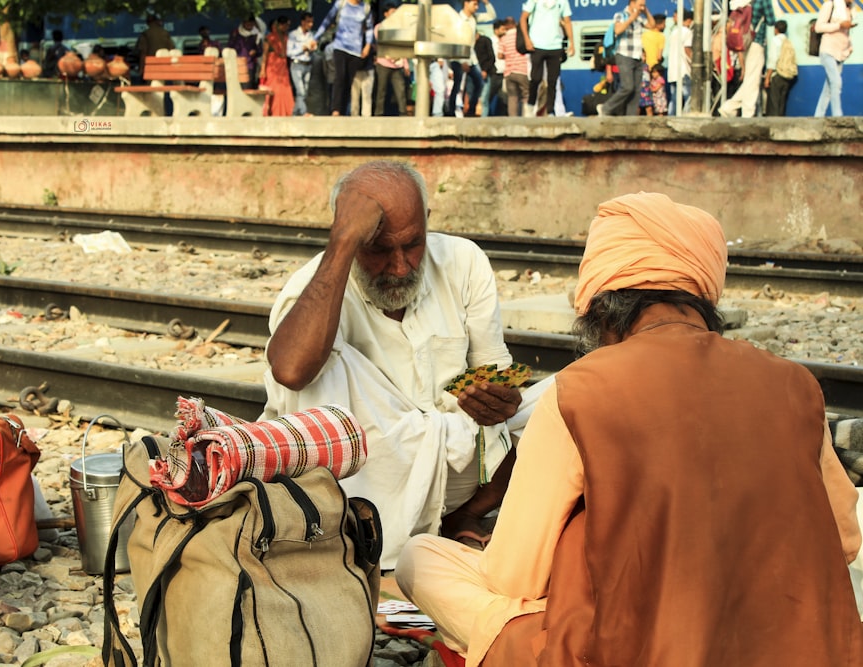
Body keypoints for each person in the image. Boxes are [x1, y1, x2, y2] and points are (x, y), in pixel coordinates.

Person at [396, 191, 863, 666]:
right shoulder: (795, 384)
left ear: (602, 307)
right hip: (794, 647)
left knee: (421, 559)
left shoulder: (580, 390)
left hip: (626, 650)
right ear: (703, 294)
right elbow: (845, 540)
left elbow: (515, 576)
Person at [260, 160, 547, 570]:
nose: (399, 266)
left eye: (412, 245)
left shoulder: (463, 262)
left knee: (573, 399)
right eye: (378, 249)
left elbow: (497, 374)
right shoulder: (312, 290)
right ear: (348, 235)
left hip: (458, 467)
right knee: (318, 368)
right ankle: (362, 539)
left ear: (427, 223)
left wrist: (501, 400)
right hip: (376, 479)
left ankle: (462, 516)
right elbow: (289, 371)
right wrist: (341, 248)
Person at [313, 0, 374, 116]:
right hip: (340, 46)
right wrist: (315, 38)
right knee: (340, 77)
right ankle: (335, 109)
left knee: (348, 81)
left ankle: (343, 110)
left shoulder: (366, 8)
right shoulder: (341, 4)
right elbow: (327, 21)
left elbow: (370, 28)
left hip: (355, 50)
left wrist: (368, 45)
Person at [718, 0, 776, 118]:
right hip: (756, 41)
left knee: (750, 79)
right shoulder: (763, 1)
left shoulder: (740, 2)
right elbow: (771, 21)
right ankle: (747, 114)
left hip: (743, 41)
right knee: (753, 80)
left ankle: (729, 107)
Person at [599, 0, 654, 116]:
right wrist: (631, 18)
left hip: (637, 56)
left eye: (644, 5)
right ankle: (605, 108)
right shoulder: (620, 15)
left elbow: (652, 25)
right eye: (641, 5)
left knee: (636, 91)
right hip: (624, 55)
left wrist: (646, 12)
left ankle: (631, 117)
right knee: (627, 87)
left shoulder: (640, 18)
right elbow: (618, 30)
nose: (642, 7)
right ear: (632, 3)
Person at [520, 0, 574, 116]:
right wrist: (527, 39)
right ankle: (530, 106)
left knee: (553, 81)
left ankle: (551, 110)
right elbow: (523, 18)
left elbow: (567, 22)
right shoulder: (534, 1)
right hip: (537, 45)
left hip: (555, 46)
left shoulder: (563, 2)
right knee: (535, 78)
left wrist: (572, 43)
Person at [447, 0, 496, 117]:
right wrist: (462, 61)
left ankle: (471, 111)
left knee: (479, 83)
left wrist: (486, 3)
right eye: (474, 4)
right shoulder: (456, 19)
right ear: (466, 3)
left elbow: (492, 16)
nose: (477, 7)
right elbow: (454, 41)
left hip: (471, 58)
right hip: (457, 57)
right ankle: (451, 112)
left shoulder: (474, 18)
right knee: (457, 85)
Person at [813, 0, 854, 117]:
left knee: (829, 88)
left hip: (840, 53)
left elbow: (845, 33)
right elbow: (818, 27)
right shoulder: (830, 5)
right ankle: (837, 115)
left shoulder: (849, 10)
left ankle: (818, 116)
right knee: (836, 82)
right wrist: (839, 25)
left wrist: (849, 47)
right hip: (828, 50)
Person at [374, 3, 411, 116]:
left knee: (400, 89)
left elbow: (402, 46)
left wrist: (406, 65)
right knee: (381, 90)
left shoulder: (399, 28)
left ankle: (403, 113)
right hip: (383, 63)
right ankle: (379, 114)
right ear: (386, 14)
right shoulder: (379, 27)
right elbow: (379, 44)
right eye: (392, 12)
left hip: (397, 65)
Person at [261, 17, 294, 117]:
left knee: (284, 89)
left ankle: (286, 112)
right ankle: (273, 112)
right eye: (284, 25)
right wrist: (262, 70)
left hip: (283, 68)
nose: (286, 27)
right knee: (273, 89)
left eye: (287, 26)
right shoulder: (269, 38)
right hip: (272, 68)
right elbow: (265, 55)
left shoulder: (286, 37)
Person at [765, 20, 797, 116]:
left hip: (777, 75)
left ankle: (773, 126)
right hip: (787, 75)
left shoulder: (775, 41)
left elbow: (773, 60)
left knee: (774, 103)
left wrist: (767, 77)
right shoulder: (788, 42)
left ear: (776, 29)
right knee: (782, 103)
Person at [499, 17, 530, 116]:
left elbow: (500, 55)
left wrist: (508, 55)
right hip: (522, 70)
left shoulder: (503, 38)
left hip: (509, 72)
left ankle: (513, 120)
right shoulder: (521, 36)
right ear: (514, 24)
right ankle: (527, 118)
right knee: (526, 95)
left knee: (512, 97)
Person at [287, 14, 316, 116]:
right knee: (300, 90)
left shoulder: (311, 35)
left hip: (307, 64)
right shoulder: (293, 35)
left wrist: (312, 49)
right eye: (308, 22)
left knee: (305, 91)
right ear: (303, 22)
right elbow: (289, 53)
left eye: (312, 22)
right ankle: (304, 112)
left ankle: (295, 113)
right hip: (297, 65)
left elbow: (312, 50)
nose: (311, 24)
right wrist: (301, 49)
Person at [665, 8, 693, 115]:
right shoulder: (687, 32)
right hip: (684, 70)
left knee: (674, 99)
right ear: (689, 20)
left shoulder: (674, 32)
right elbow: (687, 50)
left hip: (673, 71)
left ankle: (671, 119)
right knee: (689, 97)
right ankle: (687, 120)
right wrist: (693, 64)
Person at [229, 15, 264, 90]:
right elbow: (230, 47)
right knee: (236, 87)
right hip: (236, 64)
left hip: (249, 65)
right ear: (243, 23)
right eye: (248, 24)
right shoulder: (235, 33)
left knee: (247, 87)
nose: (249, 26)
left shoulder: (257, 35)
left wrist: (255, 51)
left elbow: (260, 51)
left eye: (251, 24)